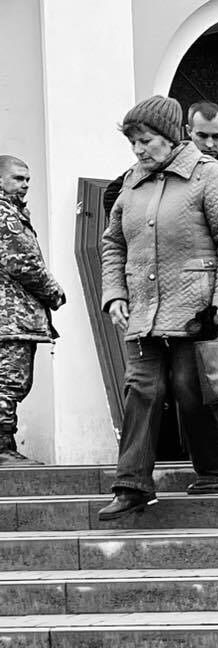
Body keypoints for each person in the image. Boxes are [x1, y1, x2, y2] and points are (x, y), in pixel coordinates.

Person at [98, 95, 218, 521]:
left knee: (189, 388)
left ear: (169, 136)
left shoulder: (206, 173)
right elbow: (113, 244)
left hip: (195, 306)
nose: (139, 150)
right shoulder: (131, 181)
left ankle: (217, 468)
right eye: (134, 144)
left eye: (145, 141)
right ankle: (132, 484)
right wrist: (115, 294)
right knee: (142, 389)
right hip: (143, 308)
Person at [0, 154, 65, 465]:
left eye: (27, 179)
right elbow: (23, 263)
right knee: (8, 382)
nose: (26, 185)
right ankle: (2, 450)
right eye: (18, 178)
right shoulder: (5, 215)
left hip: (10, 318)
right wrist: (53, 291)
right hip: (10, 320)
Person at [103, 100, 218, 217]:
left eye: (216, 136)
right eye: (202, 136)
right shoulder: (164, 160)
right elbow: (112, 196)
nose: (210, 144)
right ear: (189, 131)